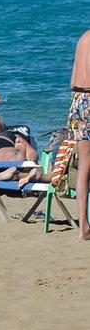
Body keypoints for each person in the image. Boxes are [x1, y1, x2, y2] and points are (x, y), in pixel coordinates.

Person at [71, 28, 90, 239]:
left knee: (85, 167)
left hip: (77, 100)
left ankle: (83, 226)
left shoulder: (83, 38)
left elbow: (73, 79)